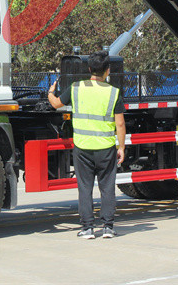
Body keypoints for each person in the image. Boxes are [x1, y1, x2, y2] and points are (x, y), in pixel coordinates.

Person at [48, 50, 126, 239]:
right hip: (106, 148)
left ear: (90, 69)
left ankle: (87, 228)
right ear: (108, 71)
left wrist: (51, 92)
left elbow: (56, 104)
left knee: (85, 187)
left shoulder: (76, 88)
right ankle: (108, 227)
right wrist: (121, 147)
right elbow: (120, 123)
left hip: (82, 147)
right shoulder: (113, 93)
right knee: (107, 187)